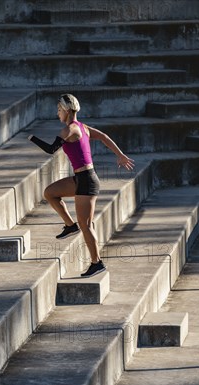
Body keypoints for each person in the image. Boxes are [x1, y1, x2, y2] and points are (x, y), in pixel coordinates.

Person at [28, 93, 135, 277]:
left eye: (59, 110)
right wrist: (119, 154)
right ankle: (70, 225)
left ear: (67, 110)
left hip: (87, 181)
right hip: (80, 179)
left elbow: (51, 150)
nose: (57, 114)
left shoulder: (70, 129)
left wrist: (31, 138)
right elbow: (104, 136)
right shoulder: (82, 127)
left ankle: (97, 262)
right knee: (50, 193)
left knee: (86, 225)